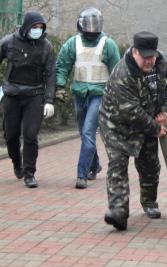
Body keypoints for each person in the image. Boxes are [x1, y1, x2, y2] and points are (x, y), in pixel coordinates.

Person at [99, 31, 167, 231]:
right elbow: (131, 112)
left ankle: (149, 202)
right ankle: (118, 212)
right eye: (145, 57)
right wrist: (155, 128)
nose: (149, 61)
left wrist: (164, 111)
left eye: (152, 56)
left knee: (150, 164)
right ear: (134, 52)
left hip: (148, 121)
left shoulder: (162, 65)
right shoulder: (123, 74)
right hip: (117, 124)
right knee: (118, 163)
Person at [56, 7, 120, 189]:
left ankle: (81, 175)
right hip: (79, 94)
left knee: (87, 132)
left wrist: (116, 97)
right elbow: (62, 65)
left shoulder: (108, 44)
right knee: (85, 134)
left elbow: (117, 72)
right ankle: (94, 164)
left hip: (99, 95)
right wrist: (60, 86)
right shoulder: (73, 43)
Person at [0, 11, 56, 188]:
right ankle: (17, 163)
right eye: (34, 27)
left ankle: (29, 173)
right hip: (11, 95)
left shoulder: (45, 46)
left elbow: (50, 74)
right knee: (11, 135)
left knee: (31, 135)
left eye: (41, 27)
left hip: (35, 95)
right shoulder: (9, 42)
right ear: (26, 27)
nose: (37, 30)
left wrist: (49, 100)